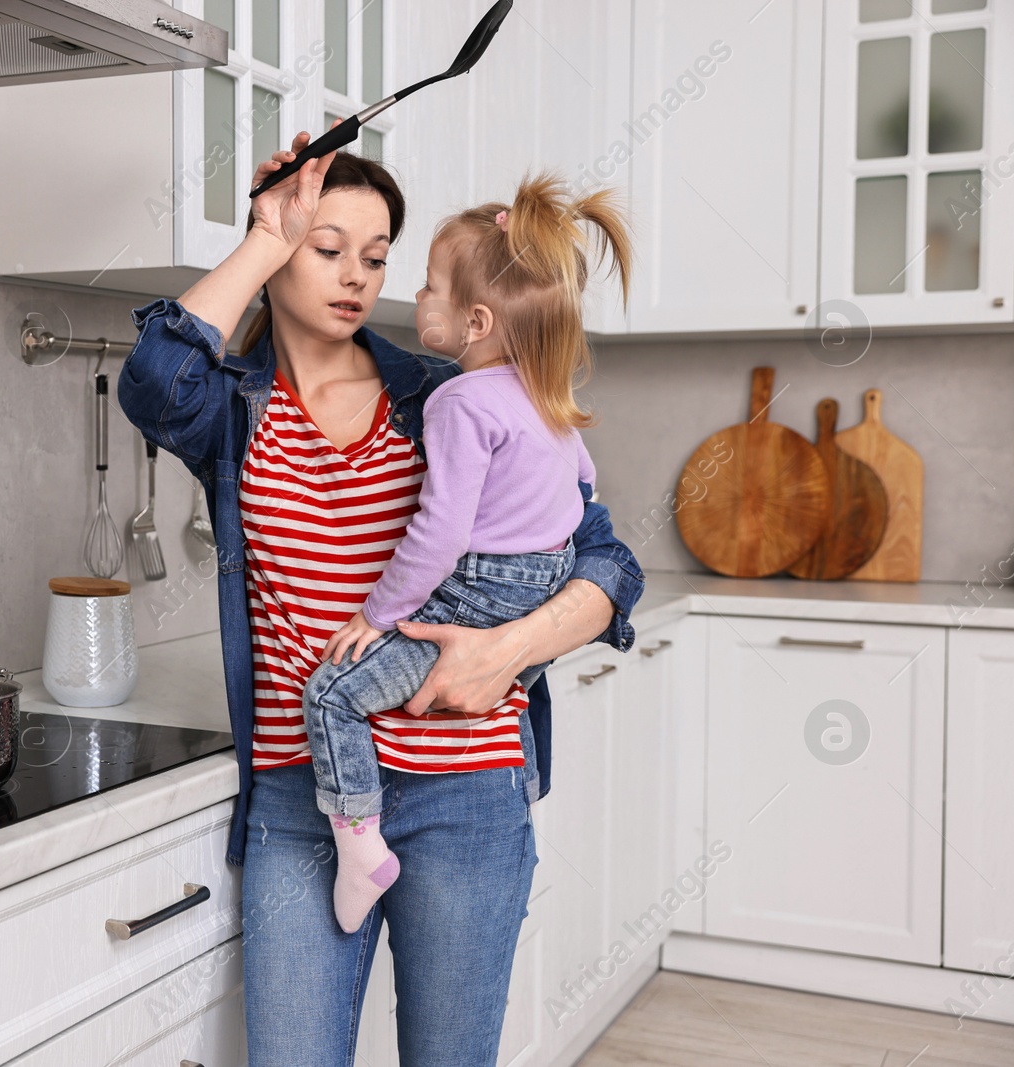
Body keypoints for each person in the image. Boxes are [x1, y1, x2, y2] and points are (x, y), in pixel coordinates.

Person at [117, 130, 644, 1066]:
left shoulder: (443, 394)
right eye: (326, 249)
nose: (356, 276)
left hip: (467, 795)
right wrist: (262, 236)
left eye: (376, 257)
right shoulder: (234, 408)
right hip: (299, 800)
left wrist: (509, 648)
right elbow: (154, 379)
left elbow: (605, 560)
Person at [302, 175, 634, 933]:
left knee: (331, 692)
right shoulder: (545, 398)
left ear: (475, 320)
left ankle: (360, 847)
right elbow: (585, 484)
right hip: (547, 578)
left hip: (482, 584)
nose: (415, 300)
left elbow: (443, 533)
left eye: (427, 288)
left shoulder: (457, 400)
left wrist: (377, 612)